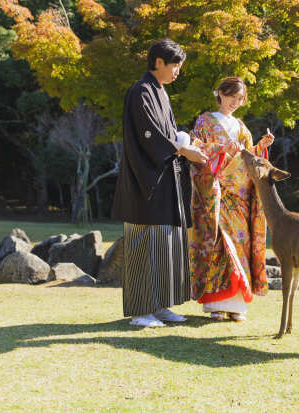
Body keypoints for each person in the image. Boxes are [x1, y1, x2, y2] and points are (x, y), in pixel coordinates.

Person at [111, 38, 208, 328]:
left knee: (166, 243)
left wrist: (185, 142)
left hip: (163, 179)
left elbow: (165, 134)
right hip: (145, 181)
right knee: (144, 243)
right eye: (175, 65)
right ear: (158, 63)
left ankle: (161, 305)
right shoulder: (141, 91)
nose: (177, 71)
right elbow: (149, 135)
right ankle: (142, 310)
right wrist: (182, 149)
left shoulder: (160, 92)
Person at [188, 77, 275, 321]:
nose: (235, 103)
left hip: (239, 196)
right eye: (231, 97)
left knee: (240, 245)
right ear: (220, 94)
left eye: (239, 99)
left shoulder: (241, 126)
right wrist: (221, 147)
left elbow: (249, 158)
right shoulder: (204, 121)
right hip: (215, 191)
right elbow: (196, 149)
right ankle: (215, 304)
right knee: (217, 244)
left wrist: (261, 147)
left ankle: (237, 305)